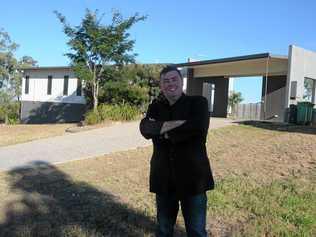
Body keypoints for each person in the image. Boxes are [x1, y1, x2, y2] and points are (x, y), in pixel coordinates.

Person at [139, 65, 215, 237]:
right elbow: (146, 129)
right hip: (163, 179)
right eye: (166, 81)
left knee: (196, 231)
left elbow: (198, 126)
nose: (170, 83)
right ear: (161, 86)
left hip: (193, 179)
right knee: (164, 230)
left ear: (182, 82)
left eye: (174, 79)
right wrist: (182, 125)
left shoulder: (198, 103)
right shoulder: (155, 107)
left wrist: (162, 130)